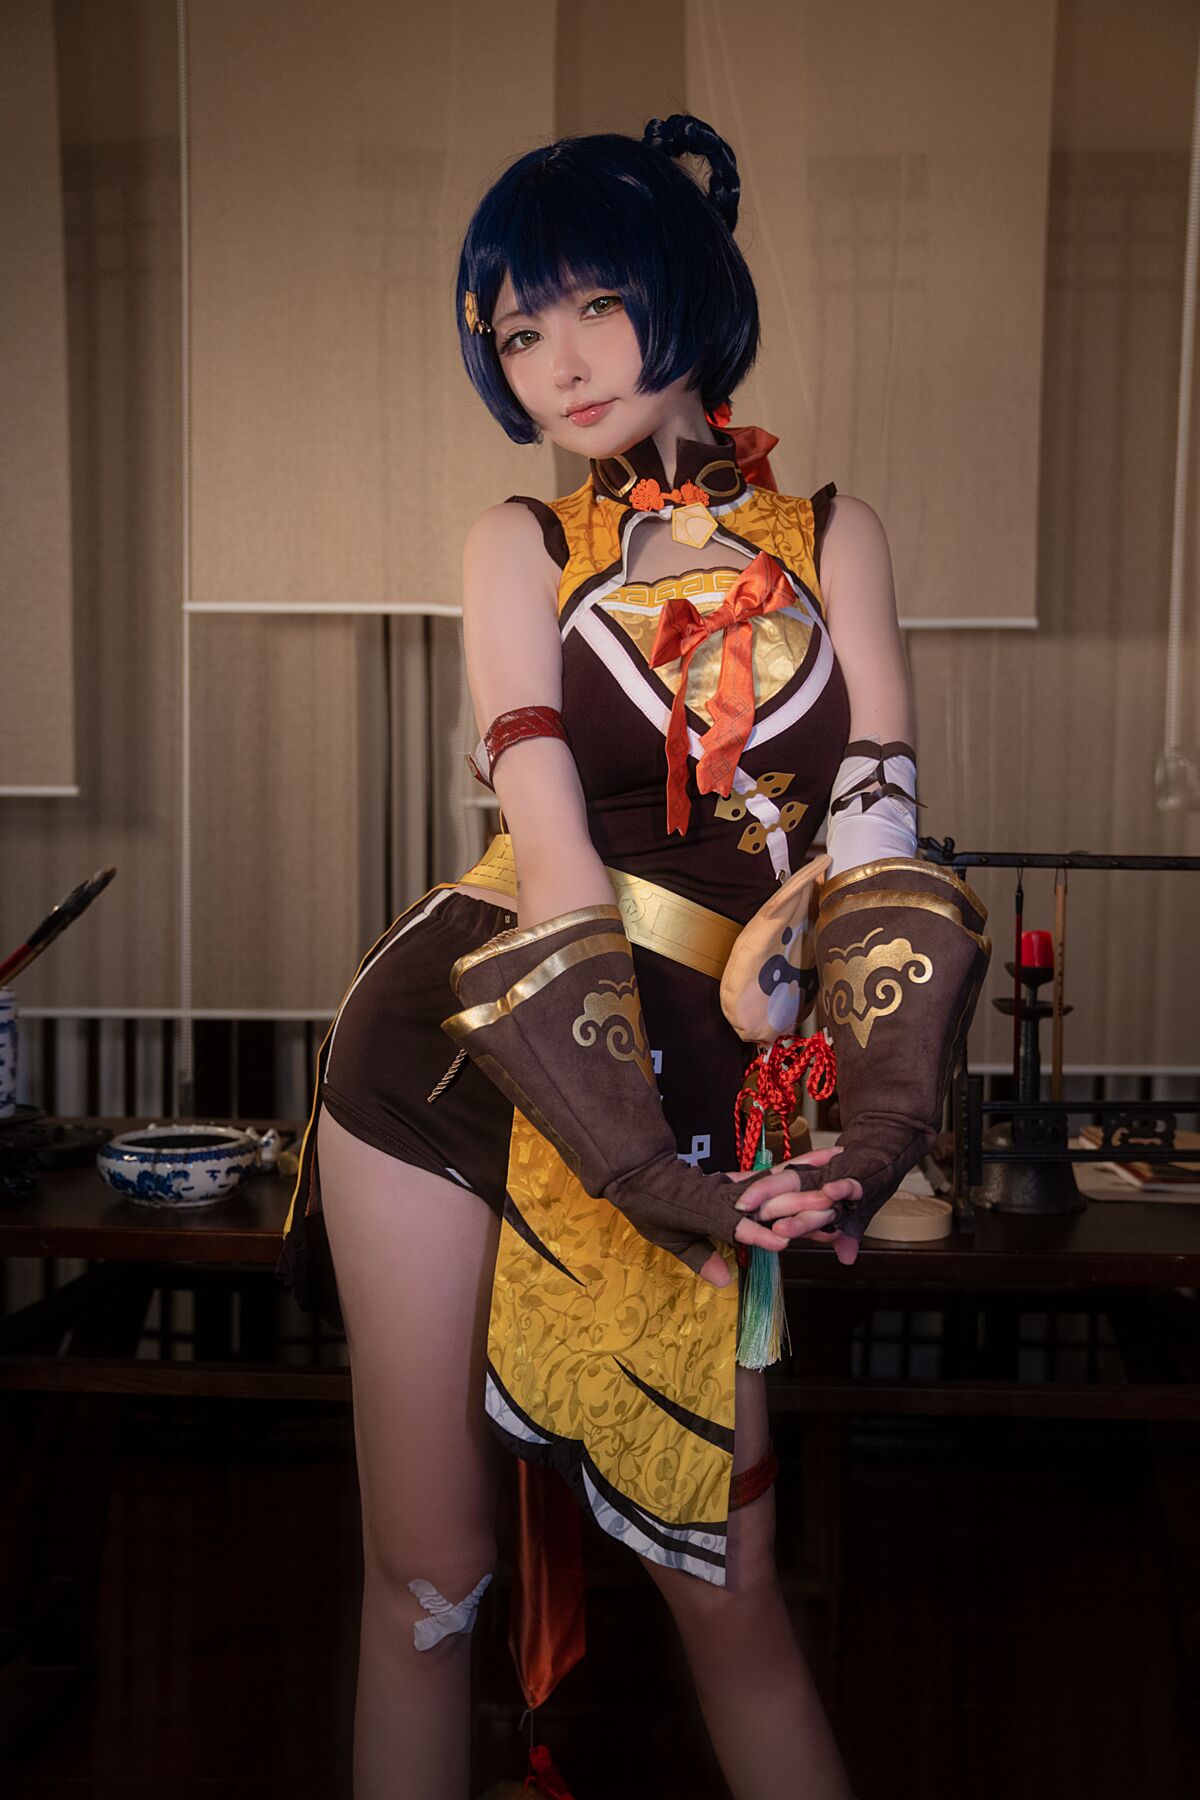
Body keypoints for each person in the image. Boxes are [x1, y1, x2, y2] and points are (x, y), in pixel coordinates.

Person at [278, 113, 989, 1800]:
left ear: (685, 288)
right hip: (461, 1050)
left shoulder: (835, 536)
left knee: (726, 1584)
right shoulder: (517, 545)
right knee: (427, 1580)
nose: (561, 361)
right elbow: (550, 852)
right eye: (520, 329)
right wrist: (642, 1170)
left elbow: (878, 849)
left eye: (595, 304)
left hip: (700, 1078)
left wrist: (881, 1131)